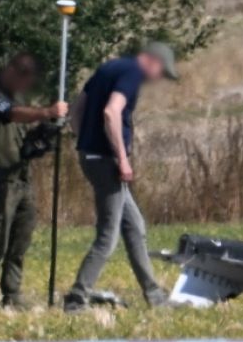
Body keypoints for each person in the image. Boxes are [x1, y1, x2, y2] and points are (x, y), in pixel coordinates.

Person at [63, 42, 179, 312]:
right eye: (161, 72)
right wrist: (122, 159)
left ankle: (155, 295)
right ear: (152, 62)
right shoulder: (132, 74)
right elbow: (111, 112)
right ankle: (77, 298)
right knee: (108, 235)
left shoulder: (110, 68)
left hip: (92, 157)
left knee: (135, 226)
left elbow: (76, 111)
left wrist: (84, 141)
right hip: (108, 162)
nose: (157, 79)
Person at [0, 53, 68, 308]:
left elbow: (23, 137)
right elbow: (9, 115)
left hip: (23, 177)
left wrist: (45, 132)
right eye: (26, 80)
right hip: (0, 180)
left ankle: (12, 294)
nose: (27, 88)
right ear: (14, 72)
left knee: (20, 241)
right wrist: (45, 111)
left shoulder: (19, 99)